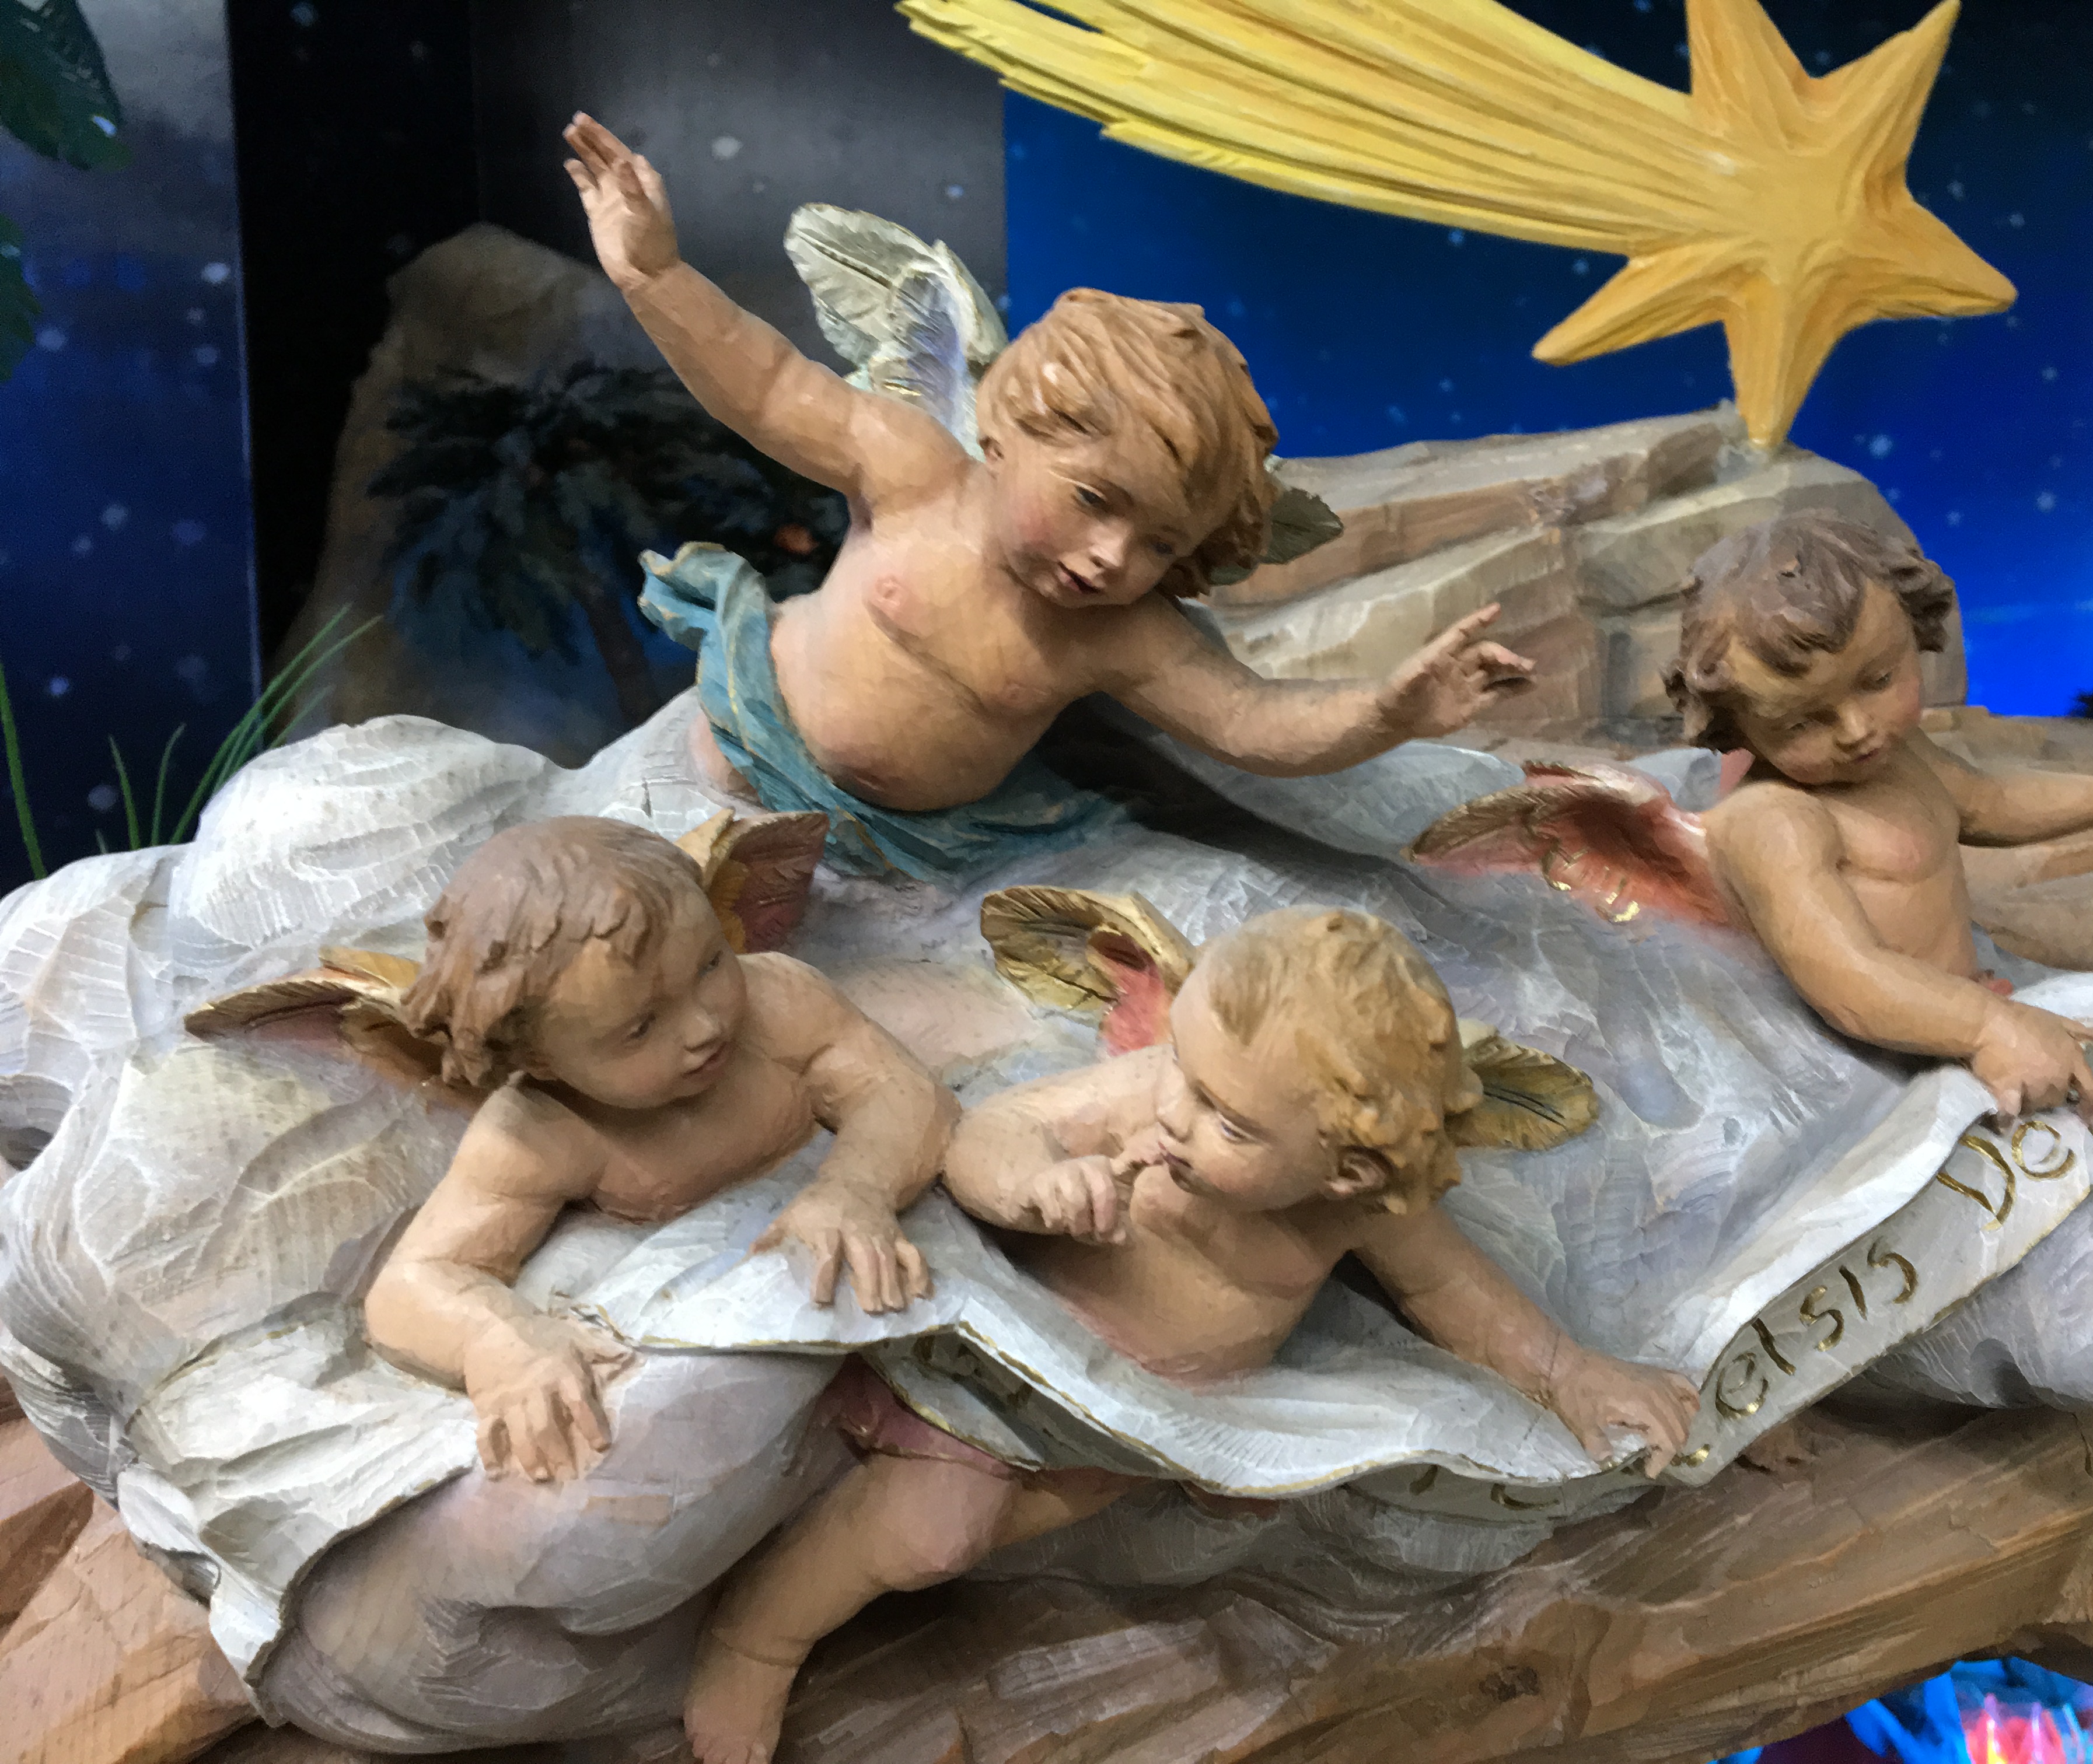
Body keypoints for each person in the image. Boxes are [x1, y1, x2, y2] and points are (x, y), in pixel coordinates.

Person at [677, 906, 1698, 1764]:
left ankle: (849, 1547)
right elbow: (985, 1132)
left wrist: (1567, 1370)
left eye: (1228, 1120)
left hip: (1141, 1425)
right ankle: (757, 1639)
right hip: (1022, 1363)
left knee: (998, 1540)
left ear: (1345, 1168)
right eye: (1184, 1067)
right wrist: (1035, 1185)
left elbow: (1452, 1290)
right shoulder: (1152, 1102)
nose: (1175, 1112)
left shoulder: (1353, 1208)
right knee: (928, 1532)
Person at [559, 114, 1534, 884]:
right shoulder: (912, 472)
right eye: (1094, 498)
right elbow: (769, 387)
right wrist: (656, 275)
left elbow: (1251, 721)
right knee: (634, 888)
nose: (1115, 556)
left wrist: (1389, 710)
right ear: (1002, 432)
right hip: (734, 743)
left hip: (906, 851)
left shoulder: (1118, 634)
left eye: (1161, 545)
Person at [362, 816, 958, 1483]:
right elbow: (411, 1285)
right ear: (541, 1060)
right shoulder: (541, 1131)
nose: (704, 1025)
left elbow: (902, 1090)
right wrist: (495, 1340)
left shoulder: (779, 1003)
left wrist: (858, 1187)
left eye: (710, 964)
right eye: (641, 1027)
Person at [1675, 512, 2093, 1119]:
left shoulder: (1903, 757)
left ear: (1914, 633)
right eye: (1801, 721)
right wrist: (1988, 1028)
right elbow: (1848, 978)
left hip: (1962, 1013)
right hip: (1866, 1069)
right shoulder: (1774, 820)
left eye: (1878, 680)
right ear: (1739, 723)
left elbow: (1987, 802)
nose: (1856, 730)